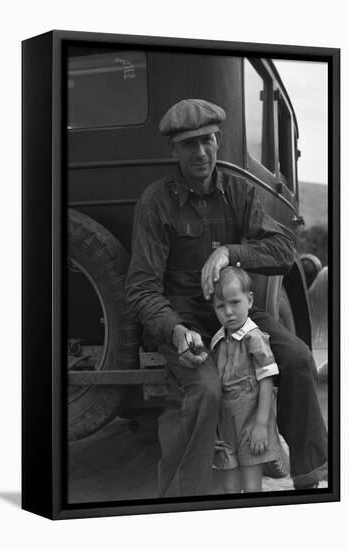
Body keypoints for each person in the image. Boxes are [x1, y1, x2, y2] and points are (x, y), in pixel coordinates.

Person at [125, 98, 327, 497]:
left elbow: (284, 251)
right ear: (174, 150)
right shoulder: (156, 202)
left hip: (236, 313)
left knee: (299, 356)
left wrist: (231, 253)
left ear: (218, 141)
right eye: (189, 144)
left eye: (208, 140)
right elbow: (141, 288)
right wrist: (177, 331)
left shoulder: (239, 192)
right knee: (206, 390)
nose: (201, 152)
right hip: (183, 320)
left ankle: (309, 476)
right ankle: (185, 498)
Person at [211, 266, 284, 493]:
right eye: (221, 306)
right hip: (225, 426)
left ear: (249, 300)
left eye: (235, 302)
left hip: (251, 422)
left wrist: (261, 425)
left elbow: (267, 381)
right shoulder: (217, 341)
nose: (229, 312)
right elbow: (214, 388)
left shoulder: (255, 338)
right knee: (229, 484)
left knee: (252, 482)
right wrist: (212, 430)